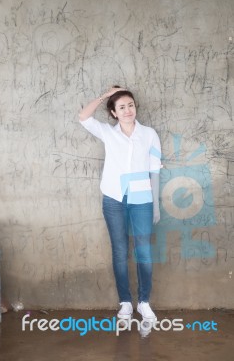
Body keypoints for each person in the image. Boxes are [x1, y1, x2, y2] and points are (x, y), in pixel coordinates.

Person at [79, 86, 161, 323]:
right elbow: (83, 117)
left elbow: (154, 171)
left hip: (142, 200)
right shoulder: (107, 132)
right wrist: (104, 95)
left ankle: (144, 302)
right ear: (114, 113)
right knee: (120, 250)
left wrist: (155, 205)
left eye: (131, 105)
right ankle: (125, 302)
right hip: (114, 199)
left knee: (143, 251)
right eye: (122, 107)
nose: (128, 111)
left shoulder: (149, 134)